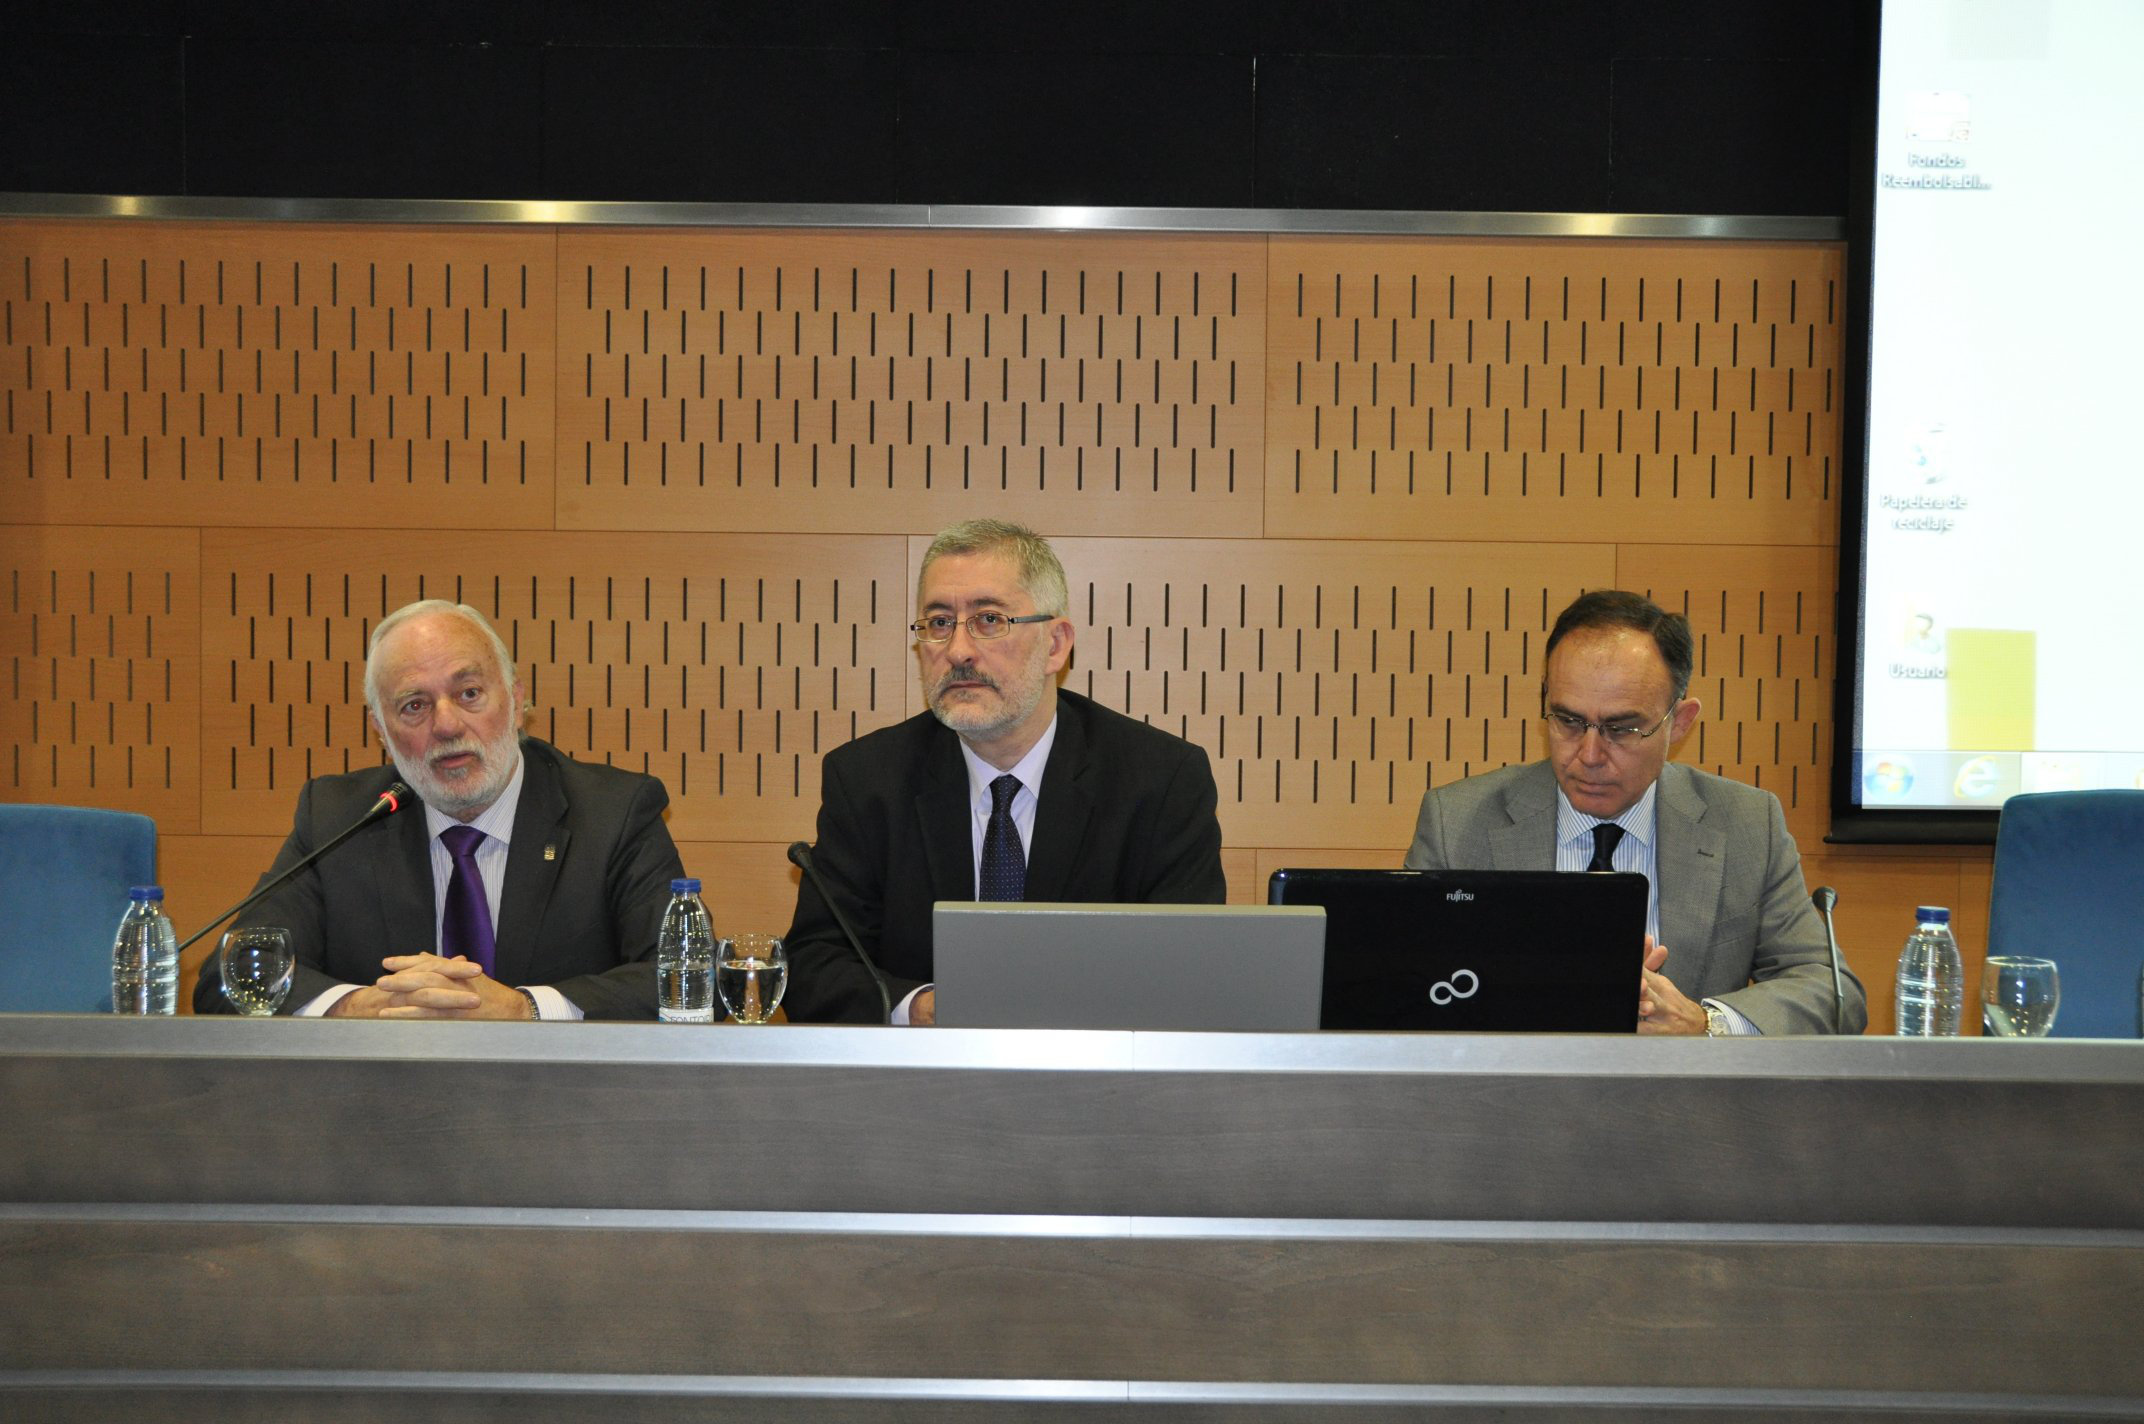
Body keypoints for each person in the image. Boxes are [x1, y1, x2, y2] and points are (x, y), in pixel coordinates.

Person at [783, 519, 1228, 1023]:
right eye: (939, 623)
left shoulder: (1160, 781)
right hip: (923, 1069)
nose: (958, 650)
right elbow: (814, 965)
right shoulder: (868, 780)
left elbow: (1189, 973)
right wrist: (922, 1010)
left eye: (989, 619)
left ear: (1055, 645)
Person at [1403, 589, 1866, 1035]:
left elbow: (1832, 992)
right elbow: (1403, 988)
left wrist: (1704, 1023)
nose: (1588, 755)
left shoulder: (1746, 824)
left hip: (1678, 1090)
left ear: (1679, 723)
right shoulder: (1456, 822)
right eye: (1568, 721)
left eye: (1621, 728)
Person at [193, 600, 684, 1020]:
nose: (447, 725)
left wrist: (523, 1010)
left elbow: (683, 977)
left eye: (469, 694)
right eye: (415, 705)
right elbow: (229, 975)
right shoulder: (338, 819)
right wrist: (365, 1008)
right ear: (381, 731)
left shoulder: (614, 813)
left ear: (516, 702)